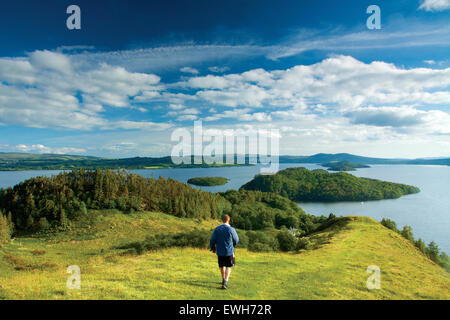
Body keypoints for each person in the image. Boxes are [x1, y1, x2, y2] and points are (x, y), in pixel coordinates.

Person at [210, 214, 239, 289]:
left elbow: (212, 239)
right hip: (229, 251)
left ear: (222, 220)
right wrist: (235, 244)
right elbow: (236, 239)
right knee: (228, 267)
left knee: (221, 266)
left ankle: (223, 279)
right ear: (228, 220)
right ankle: (225, 282)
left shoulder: (217, 229)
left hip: (220, 250)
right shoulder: (231, 229)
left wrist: (212, 247)